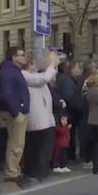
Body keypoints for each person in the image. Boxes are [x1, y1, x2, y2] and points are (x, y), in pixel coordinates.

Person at [22, 51, 59, 182]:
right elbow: (43, 79)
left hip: (45, 118)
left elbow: (45, 77)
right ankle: (34, 172)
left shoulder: (34, 75)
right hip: (36, 118)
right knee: (35, 147)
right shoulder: (25, 76)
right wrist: (52, 64)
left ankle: (41, 171)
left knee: (44, 147)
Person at [0, 47, 30, 183]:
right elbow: (7, 93)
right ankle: (12, 172)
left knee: (18, 143)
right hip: (14, 112)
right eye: (21, 55)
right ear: (14, 57)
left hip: (18, 111)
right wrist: (16, 112)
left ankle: (14, 170)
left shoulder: (13, 71)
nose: (24, 57)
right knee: (15, 143)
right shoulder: (8, 72)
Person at [56, 61, 83, 162]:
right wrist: (79, 107)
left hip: (69, 111)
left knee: (69, 135)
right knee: (68, 135)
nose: (79, 70)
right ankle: (68, 156)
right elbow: (70, 97)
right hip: (69, 112)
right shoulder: (66, 80)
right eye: (77, 67)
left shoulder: (65, 79)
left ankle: (69, 156)